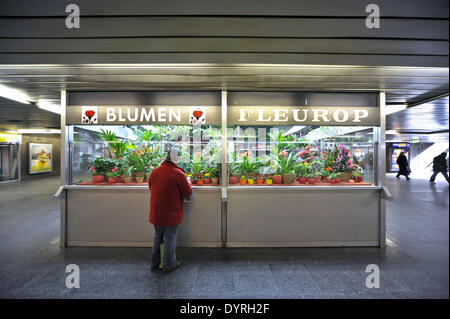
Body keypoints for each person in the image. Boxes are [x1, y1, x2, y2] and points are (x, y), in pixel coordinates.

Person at [148, 147, 192, 273]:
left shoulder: (155, 171)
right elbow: (187, 192)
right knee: (170, 237)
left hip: (156, 211)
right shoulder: (178, 174)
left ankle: (154, 263)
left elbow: (151, 186)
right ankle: (168, 264)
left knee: (158, 236)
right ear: (176, 159)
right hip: (171, 212)